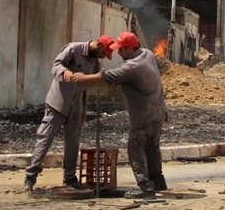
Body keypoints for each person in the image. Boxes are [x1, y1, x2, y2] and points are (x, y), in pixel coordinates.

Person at [72, 31, 168, 199]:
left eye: (121, 49)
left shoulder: (133, 66)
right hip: (158, 111)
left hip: (144, 115)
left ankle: (145, 188)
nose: (118, 52)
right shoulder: (147, 54)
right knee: (152, 147)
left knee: (135, 148)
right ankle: (158, 181)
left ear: (130, 49)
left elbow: (108, 76)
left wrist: (84, 77)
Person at [22, 35, 114, 192]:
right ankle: (30, 177)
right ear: (98, 45)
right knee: (45, 139)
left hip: (76, 106)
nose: (103, 57)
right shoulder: (74, 48)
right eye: (104, 52)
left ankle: (70, 178)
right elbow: (56, 64)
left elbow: (86, 88)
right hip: (57, 103)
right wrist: (64, 71)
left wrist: (84, 109)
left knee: (73, 143)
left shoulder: (95, 63)